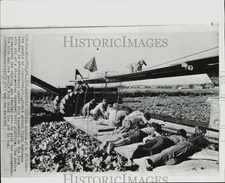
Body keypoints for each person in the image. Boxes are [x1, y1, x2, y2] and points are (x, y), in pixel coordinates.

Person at [143, 126, 216, 171]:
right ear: (202, 132)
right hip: (187, 146)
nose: (195, 131)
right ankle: (152, 161)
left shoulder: (196, 136)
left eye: (197, 130)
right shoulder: (200, 138)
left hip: (186, 146)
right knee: (170, 153)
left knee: (170, 154)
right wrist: (208, 145)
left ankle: (153, 161)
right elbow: (213, 148)